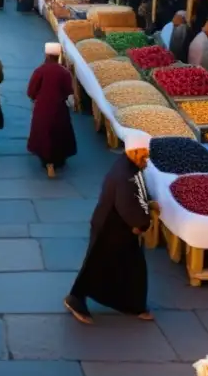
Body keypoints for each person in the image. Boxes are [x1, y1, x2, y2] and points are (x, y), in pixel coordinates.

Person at [64, 139, 153, 325]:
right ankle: (75, 298)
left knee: (129, 267)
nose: (147, 160)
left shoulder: (128, 167)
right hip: (111, 228)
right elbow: (127, 206)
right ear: (135, 151)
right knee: (98, 265)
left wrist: (148, 205)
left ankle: (133, 305)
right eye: (144, 155)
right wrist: (142, 223)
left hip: (116, 226)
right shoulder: (125, 176)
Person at [27, 42, 77, 177]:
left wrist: (34, 97)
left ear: (46, 54)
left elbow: (31, 91)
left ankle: (47, 162)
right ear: (58, 55)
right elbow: (69, 91)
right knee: (59, 133)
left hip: (42, 108)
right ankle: (57, 161)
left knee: (43, 133)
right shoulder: (64, 72)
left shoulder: (40, 71)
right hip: (59, 108)